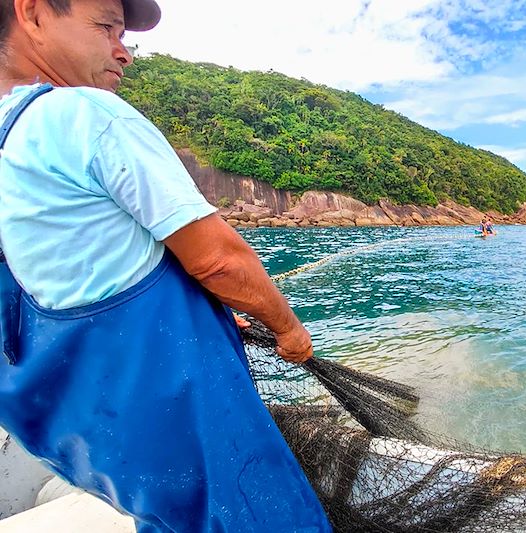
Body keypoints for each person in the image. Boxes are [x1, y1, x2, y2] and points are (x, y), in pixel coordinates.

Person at [0, 0, 331, 531]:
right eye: (106, 27)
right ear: (34, 13)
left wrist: (206, 314)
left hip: (100, 443)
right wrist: (288, 328)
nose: (124, 52)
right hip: (182, 421)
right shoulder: (85, 114)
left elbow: (78, 274)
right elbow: (220, 261)